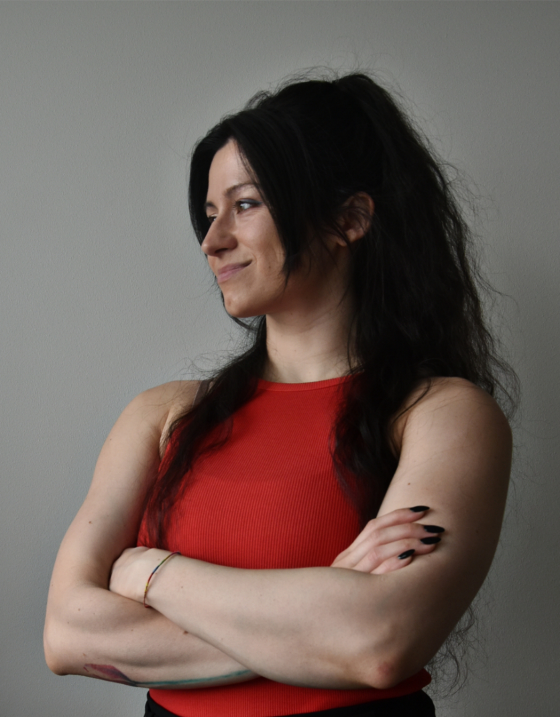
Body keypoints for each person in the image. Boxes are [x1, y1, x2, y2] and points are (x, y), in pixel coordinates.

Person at [44, 72, 516, 717]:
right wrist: (323, 614)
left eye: (245, 205)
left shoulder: (443, 414)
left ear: (349, 219)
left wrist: (146, 573)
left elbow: (379, 643)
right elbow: (68, 636)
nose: (212, 241)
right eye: (210, 214)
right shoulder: (162, 415)